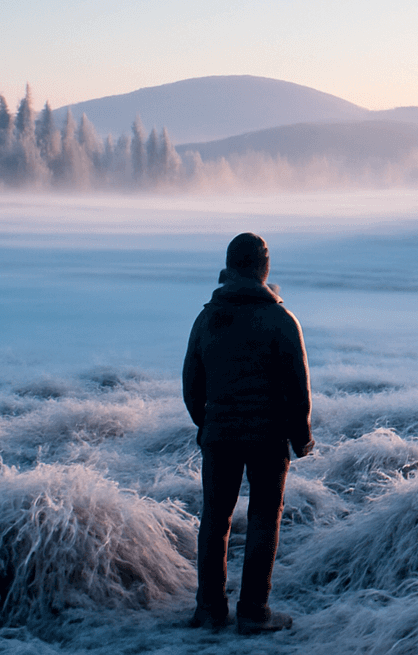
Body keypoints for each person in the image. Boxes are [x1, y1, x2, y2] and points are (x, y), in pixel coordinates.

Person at [182, 232, 314, 634]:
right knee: (262, 520)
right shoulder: (281, 320)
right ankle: (254, 612)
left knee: (215, 521)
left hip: (220, 436)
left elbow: (191, 384)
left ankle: (210, 610)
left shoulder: (208, 317)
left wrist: (207, 423)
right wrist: (301, 437)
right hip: (268, 440)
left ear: (228, 267)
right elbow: (298, 388)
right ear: (263, 269)